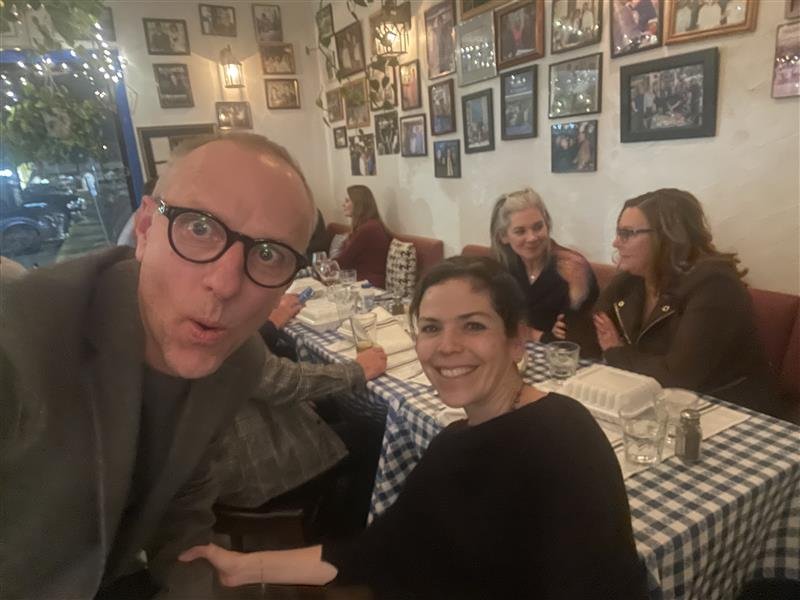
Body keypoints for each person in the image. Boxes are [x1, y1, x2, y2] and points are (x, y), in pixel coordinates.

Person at [180, 255, 647, 598]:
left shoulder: (563, 437)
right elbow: (382, 549)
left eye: (473, 326)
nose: (447, 347)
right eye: (431, 327)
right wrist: (245, 567)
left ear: (517, 341)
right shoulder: (453, 443)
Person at [0, 132, 317, 598]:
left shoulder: (240, 361)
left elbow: (183, 503)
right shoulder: (16, 337)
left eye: (269, 255)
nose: (225, 284)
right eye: (200, 228)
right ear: (146, 229)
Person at [593, 188, 776, 415]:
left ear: (667, 237)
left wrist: (616, 352)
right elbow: (590, 337)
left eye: (627, 233)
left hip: (728, 409)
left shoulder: (715, 285)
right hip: (658, 399)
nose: (615, 243)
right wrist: (577, 297)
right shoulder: (632, 279)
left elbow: (679, 376)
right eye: (618, 232)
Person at [490, 188, 600, 355]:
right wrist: (541, 335)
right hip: (516, 355)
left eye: (538, 227)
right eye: (520, 231)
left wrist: (576, 297)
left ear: (547, 225)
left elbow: (575, 343)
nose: (532, 237)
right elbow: (494, 323)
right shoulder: (503, 268)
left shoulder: (572, 267)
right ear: (503, 237)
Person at [335, 185, 392, 288]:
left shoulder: (368, 229)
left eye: (347, 201)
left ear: (358, 204)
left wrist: (321, 267)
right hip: (358, 281)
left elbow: (342, 262)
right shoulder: (368, 226)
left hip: (369, 285)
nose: (343, 204)